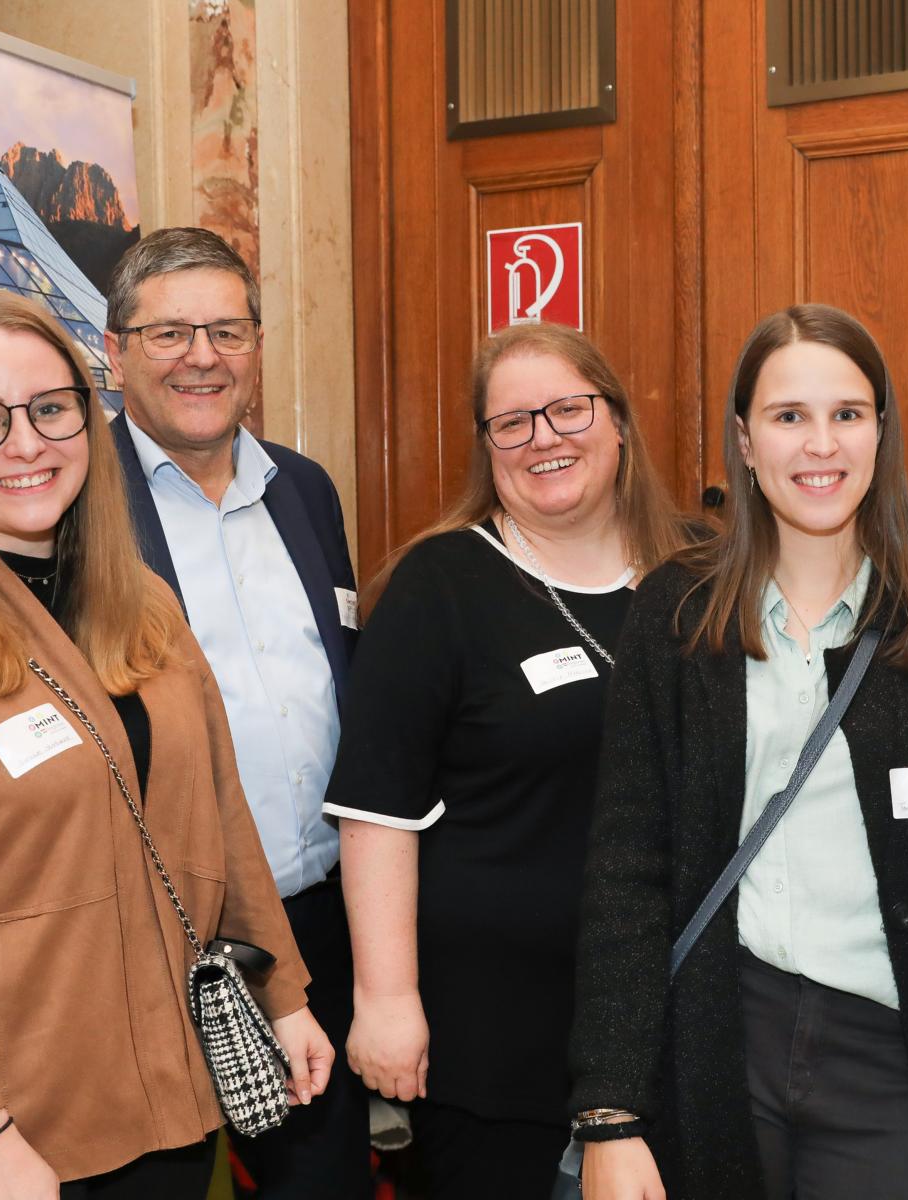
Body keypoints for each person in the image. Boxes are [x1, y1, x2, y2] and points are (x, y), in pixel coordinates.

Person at [0, 290, 332, 1200]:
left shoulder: (143, 611)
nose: (26, 444)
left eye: (50, 408)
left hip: (162, 1102)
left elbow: (219, 819)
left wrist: (285, 995)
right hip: (1, 1138)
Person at [568, 304, 908, 1200]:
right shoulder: (676, 613)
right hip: (720, 1036)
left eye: (847, 414)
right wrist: (611, 1112)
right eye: (789, 418)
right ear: (745, 442)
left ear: (881, 432)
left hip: (890, 1043)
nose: (821, 445)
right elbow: (627, 867)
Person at [320, 323, 688, 1197]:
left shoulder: (696, 576)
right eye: (512, 423)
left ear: (620, 422)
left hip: (668, 1020)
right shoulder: (439, 585)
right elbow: (377, 810)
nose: (544, 438)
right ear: (487, 449)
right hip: (494, 1033)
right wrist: (387, 1001)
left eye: (568, 409)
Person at [101, 227, 368, 1199]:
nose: (203, 357)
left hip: (316, 925)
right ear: (115, 347)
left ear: (258, 344)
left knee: (323, 1181)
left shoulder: (303, 489)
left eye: (227, 329)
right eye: (170, 333)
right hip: (161, 934)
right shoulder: (76, 504)